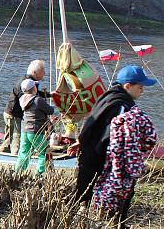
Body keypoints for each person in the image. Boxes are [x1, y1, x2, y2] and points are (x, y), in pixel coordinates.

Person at [71, 65, 157, 210]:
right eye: (140, 87)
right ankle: (115, 225)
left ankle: (79, 218)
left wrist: (81, 140)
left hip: (89, 153)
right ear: (128, 86)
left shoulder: (108, 96)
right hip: (100, 157)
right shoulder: (122, 106)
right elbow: (118, 138)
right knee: (118, 194)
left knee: (83, 193)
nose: (143, 90)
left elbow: (92, 121)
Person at [1, 60, 49, 154]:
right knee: (17, 136)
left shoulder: (28, 81)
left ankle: (5, 152)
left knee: (9, 137)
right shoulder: (28, 82)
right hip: (13, 114)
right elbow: (30, 98)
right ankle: (14, 157)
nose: (44, 73)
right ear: (35, 72)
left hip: (9, 112)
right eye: (42, 70)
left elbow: (35, 95)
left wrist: (49, 94)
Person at [15, 78, 57, 174]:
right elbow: (50, 110)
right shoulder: (37, 100)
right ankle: (39, 174)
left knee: (24, 153)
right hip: (36, 131)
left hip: (25, 130)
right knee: (43, 153)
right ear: (34, 88)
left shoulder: (22, 99)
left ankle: (18, 173)